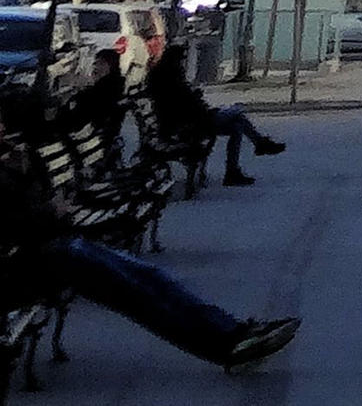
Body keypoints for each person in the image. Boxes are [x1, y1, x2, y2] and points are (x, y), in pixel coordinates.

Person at [0, 107, 296, 372]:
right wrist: (49, 208)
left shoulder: (9, 159)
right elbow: (16, 221)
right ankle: (225, 346)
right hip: (26, 266)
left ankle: (235, 331)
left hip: (50, 247)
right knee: (135, 292)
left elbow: (31, 207)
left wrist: (28, 171)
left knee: (150, 276)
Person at [142, 48, 287, 187]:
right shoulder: (172, 83)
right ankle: (256, 147)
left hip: (191, 121)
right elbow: (187, 106)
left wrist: (196, 100)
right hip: (193, 123)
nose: (183, 64)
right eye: (181, 60)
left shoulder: (167, 82)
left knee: (237, 125)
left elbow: (187, 104)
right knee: (238, 115)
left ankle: (239, 165)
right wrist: (197, 100)